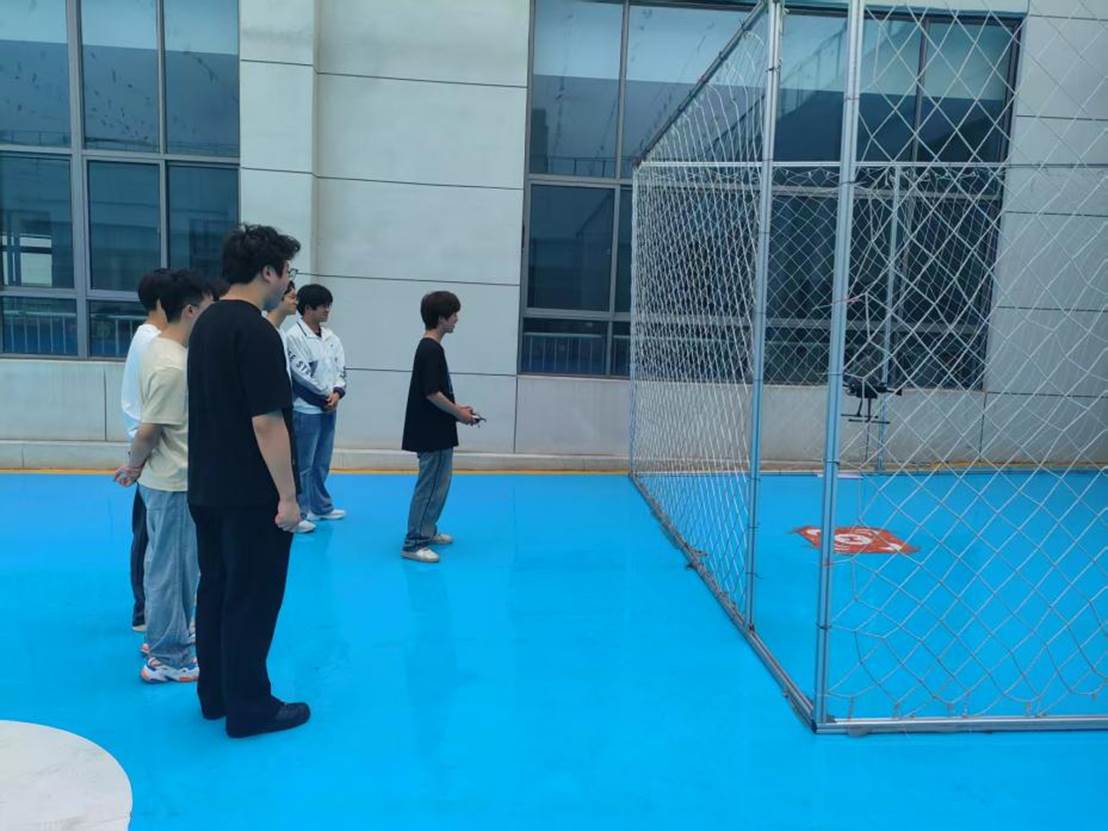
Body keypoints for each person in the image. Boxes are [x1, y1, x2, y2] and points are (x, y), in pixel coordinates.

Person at [187, 223, 310, 739]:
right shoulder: (257, 333)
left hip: (208, 486)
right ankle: (251, 706)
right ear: (268, 272)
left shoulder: (207, 325)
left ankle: (216, 694)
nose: (288, 282)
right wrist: (288, 496)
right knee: (253, 598)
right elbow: (266, 421)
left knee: (216, 591)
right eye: (287, 272)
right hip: (250, 494)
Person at [113, 271, 213, 682]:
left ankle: (164, 636)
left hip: (166, 478)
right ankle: (168, 657)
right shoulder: (173, 365)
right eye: (207, 309)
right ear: (189, 310)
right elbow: (150, 429)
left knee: (167, 565)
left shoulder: (159, 348)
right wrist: (133, 464)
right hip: (173, 480)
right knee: (173, 570)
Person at [400, 291, 478, 564]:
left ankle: (427, 529)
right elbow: (432, 393)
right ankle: (414, 542)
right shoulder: (430, 349)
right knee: (430, 485)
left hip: (439, 429)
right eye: (454, 314)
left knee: (440, 484)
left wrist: (458, 409)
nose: (457, 319)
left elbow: (436, 391)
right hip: (430, 431)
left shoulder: (433, 349)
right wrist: (460, 414)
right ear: (441, 318)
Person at [120, 268, 171, 632]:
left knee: (154, 532)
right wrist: (136, 462)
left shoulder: (154, 338)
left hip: (155, 448)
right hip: (150, 449)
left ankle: (154, 604)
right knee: (148, 533)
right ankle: (144, 608)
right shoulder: (151, 341)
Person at [285, 284, 347, 532]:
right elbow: (300, 375)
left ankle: (321, 507)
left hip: (329, 408)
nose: (327, 310)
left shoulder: (332, 338)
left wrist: (337, 393)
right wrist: (323, 398)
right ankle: (299, 512)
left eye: (329, 305)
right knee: (303, 465)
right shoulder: (294, 337)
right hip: (305, 411)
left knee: (322, 461)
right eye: (323, 306)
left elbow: (340, 369)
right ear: (308, 308)